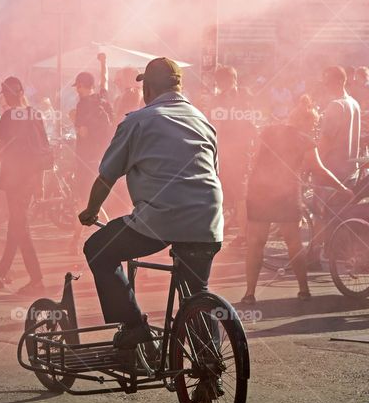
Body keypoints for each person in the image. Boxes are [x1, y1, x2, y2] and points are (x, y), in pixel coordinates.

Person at [79, 58, 223, 351]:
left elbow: (106, 177)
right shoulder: (202, 120)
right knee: (197, 292)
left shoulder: (138, 120)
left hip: (159, 221)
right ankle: (210, 365)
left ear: (149, 88)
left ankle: (134, 327)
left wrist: (91, 211)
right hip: (208, 219)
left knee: (98, 249)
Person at [240, 96, 354, 304]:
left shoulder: (267, 131)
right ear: (308, 123)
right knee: (293, 243)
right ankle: (303, 289)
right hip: (286, 193)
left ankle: (249, 294)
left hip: (259, 191)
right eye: (314, 125)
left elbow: (254, 159)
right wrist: (342, 187)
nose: (315, 129)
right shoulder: (305, 140)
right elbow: (319, 169)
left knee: (255, 243)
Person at [0, 77, 48, 294]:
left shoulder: (9, 116)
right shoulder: (35, 114)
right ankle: (1, 272)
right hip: (29, 179)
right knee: (15, 225)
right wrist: (40, 183)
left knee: (20, 228)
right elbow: (43, 150)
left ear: (6, 95)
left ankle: (36, 279)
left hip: (14, 179)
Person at [210, 65, 257, 245]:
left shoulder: (223, 99)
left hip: (231, 151)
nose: (219, 84)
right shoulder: (246, 96)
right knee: (236, 193)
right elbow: (252, 123)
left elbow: (216, 127)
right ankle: (236, 229)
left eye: (220, 81)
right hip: (239, 151)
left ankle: (241, 233)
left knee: (231, 192)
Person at [70, 70, 114, 246]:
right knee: (90, 199)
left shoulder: (83, 105)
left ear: (81, 86)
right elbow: (105, 80)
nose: (76, 90)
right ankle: (75, 240)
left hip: (85, 157)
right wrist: (103, 63)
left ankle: (109, 234)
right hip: (101, 156)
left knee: (85, 200)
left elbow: (83, 132)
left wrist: (74, 119)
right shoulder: (101, 99)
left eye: (77, 86)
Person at [318, 66, 362, 185]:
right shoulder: (354, 103)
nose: (325, 86)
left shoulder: (336, 105)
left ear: (341, 81)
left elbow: (326, 140)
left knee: (321, 204)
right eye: (324, 83)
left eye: (328, 82)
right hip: (350, 173)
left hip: (332, 174)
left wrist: (314, 163)